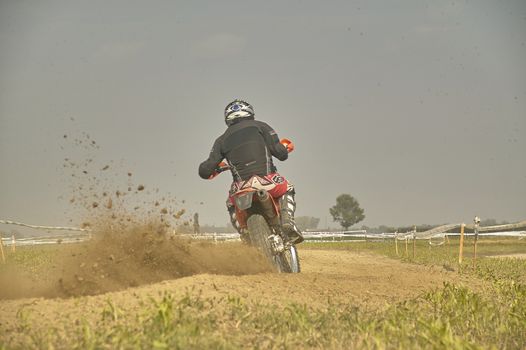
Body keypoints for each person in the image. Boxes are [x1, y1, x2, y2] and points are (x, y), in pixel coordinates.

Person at [198, 99, 303, 244]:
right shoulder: (261, 126)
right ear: (250, 112)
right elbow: (281, 154)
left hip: (241, 188)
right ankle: (288, 222)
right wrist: (284, 148)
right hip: (269, 182)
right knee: (288, 188)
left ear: (227, 118)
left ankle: (245, 234)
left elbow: (205, 171)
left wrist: (215, 167)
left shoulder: (221, 140)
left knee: (230, 203)